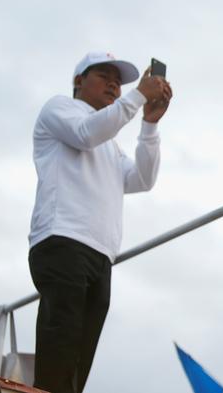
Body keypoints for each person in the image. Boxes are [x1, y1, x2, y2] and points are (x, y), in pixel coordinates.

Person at [28, 51, 173, 393]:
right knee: (61, 341)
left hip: (100, 253)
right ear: (79, 81)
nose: (113, 84)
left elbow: (142, 178)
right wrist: (139, 96)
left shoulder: (110, 140)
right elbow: (84, 134)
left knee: (81, 354)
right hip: (61, 238)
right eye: (103, 75)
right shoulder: (59, 108)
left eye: (118, 81)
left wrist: (150, 124)